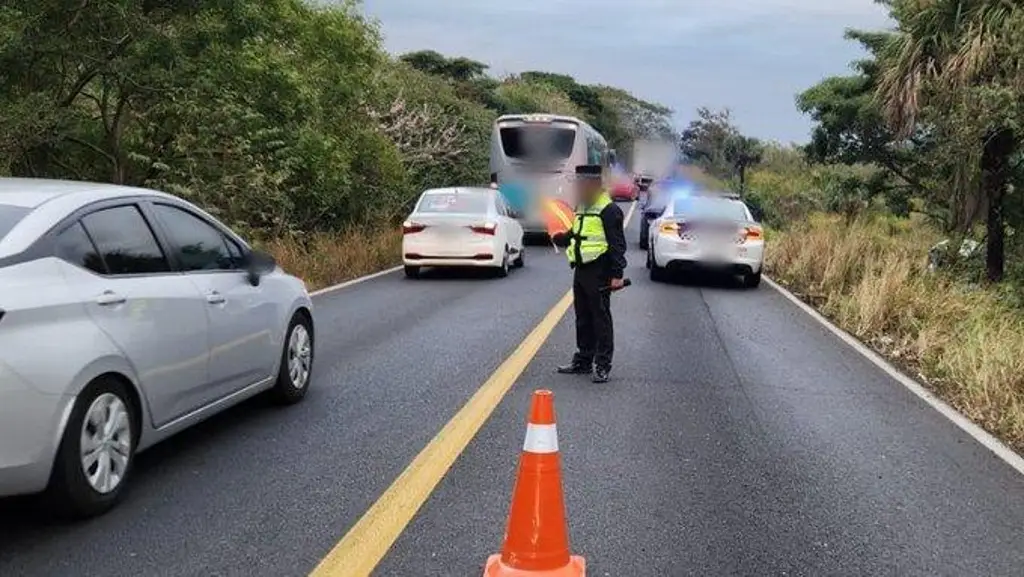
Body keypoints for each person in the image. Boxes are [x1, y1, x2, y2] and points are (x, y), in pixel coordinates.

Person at [551, 165, 627, 383]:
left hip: (600, 269)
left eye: (582, 183)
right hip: (582, 268)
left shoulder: (609, 210)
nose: (578, 187)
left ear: (594, 184)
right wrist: (561, 238)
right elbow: (576, 232)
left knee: (600, 318)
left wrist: (617, 274)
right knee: (583, 317)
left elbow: (617, 245)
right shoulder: (582, 206)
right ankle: (583, 360)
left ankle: (602, 364)